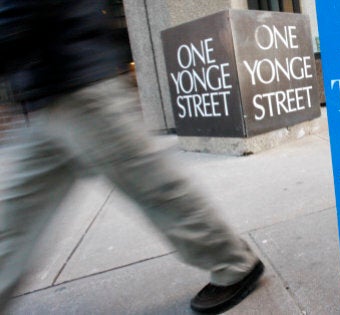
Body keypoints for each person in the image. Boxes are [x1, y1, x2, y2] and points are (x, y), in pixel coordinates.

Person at [0, 0, 264, 313]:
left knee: (153, 185)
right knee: (17, 212)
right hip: (43, 90)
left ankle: (234, 262)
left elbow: (21, 11)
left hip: (76, 80)